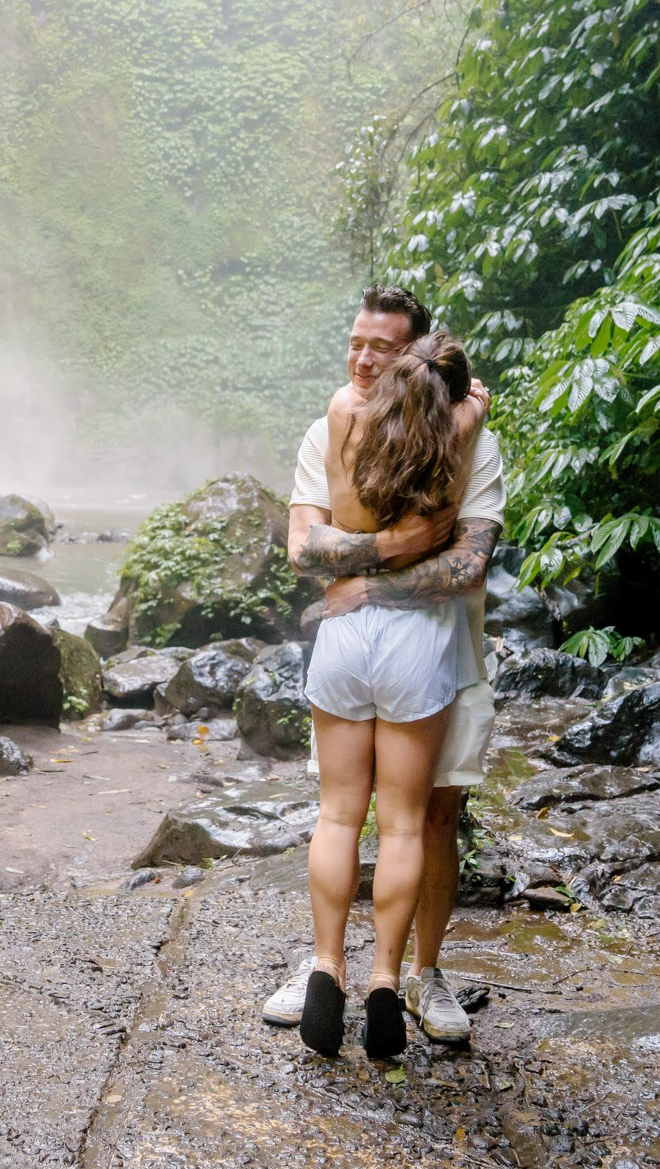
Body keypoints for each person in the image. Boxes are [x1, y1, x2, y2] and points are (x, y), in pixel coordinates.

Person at [261, 286, 504, 1049]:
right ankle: (383, 984)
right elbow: (309, 547)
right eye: (356, 342)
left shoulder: (342, 417)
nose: (364, 359)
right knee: (401, 822)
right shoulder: (460, 427)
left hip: (346, 636)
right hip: (418, 640)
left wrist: (361, 576)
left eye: (383, 348)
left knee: (342, 813)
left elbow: (316, 547)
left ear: (411, 353)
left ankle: (332, 963)